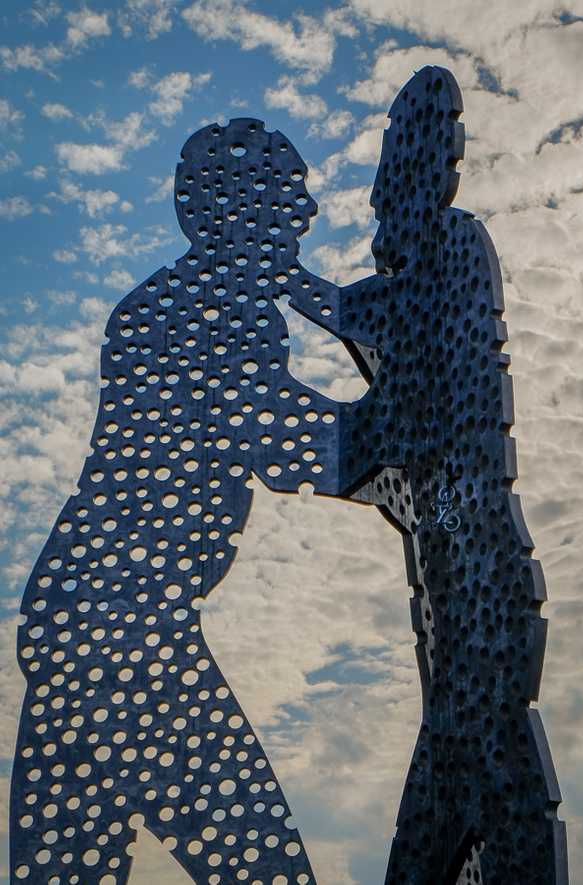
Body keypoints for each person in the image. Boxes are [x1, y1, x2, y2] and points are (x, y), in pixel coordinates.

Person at [10, 117, 382, 885]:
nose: (305, 216)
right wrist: (416, 400)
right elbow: (304, 450)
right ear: (234, 212)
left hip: (83, 627)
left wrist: (324, 300)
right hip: (126, 639)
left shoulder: (186, 301)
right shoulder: (198, 314)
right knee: (266, 869)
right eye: (288, 200)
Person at [289, 65, 568, 885]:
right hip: (471, 626)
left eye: (385, 192)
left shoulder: (449, 254)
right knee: (503, 808)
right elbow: (375, 364)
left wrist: (282, 282)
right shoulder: (433, 277)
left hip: (484, 620)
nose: (378, 215)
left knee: (452, 795)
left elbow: (380, 399)